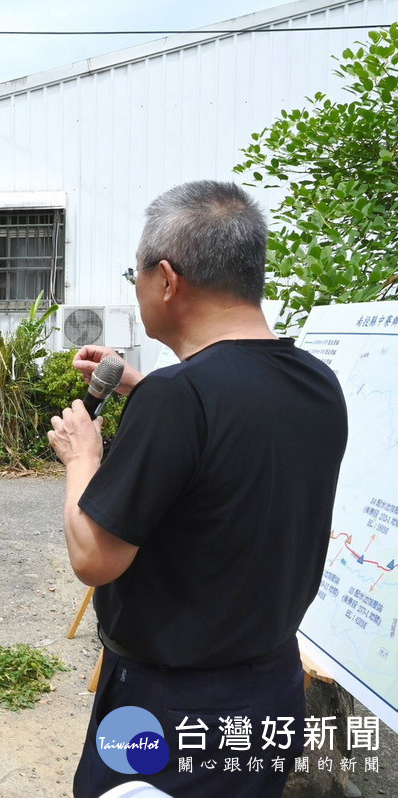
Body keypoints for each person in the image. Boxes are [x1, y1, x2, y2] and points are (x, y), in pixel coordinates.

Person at [47, 181, 349, 798]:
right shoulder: (318, 383)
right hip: (269, 687)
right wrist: (140, 386)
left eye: (134, 273)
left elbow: (95, 558)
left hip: (169, 703)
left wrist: (83, 457)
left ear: (166, 278)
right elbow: (231, 437)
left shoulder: (179, 397)